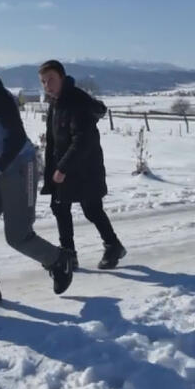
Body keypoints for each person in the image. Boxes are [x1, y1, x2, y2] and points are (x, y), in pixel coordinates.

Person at [0, 44, 74, 308]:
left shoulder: (0, 98)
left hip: (20, 168)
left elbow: (16, 139)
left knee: (17, 236)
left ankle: (58, 259)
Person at [38, 60, 126, 269]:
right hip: (66, 167)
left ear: (62, 78)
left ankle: (113, 246)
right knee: (60, 207)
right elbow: (53, 141)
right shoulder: (56, 102)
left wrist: (63, 168)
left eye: (51, 79)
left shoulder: (76, 102)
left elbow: (83, 139)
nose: (47, 85)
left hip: (85, 168)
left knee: (92, 209)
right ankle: (68, 253)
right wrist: (51, 167)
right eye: (43, 81)